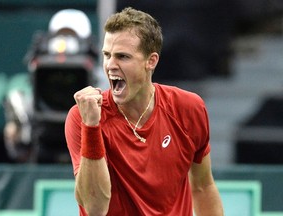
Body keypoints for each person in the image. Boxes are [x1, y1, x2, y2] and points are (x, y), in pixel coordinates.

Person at [65, 7, 224, 215]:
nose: (110, 65)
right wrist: (92, 127)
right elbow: (95, 208)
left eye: (122, 56)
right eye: (107, 55)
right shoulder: (82, 116)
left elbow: (203, 186)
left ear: (151, 61)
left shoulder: (188, 108)